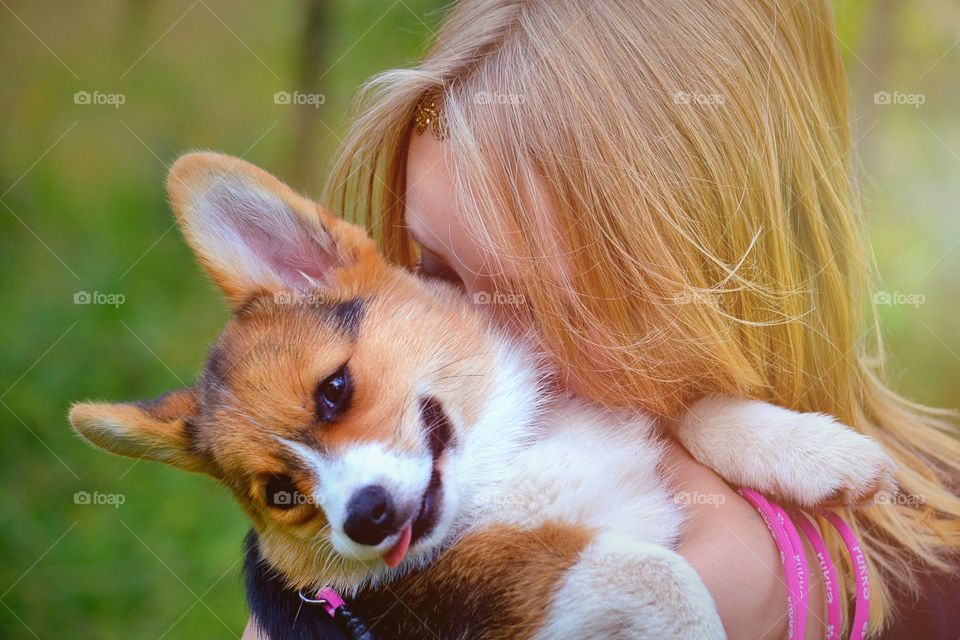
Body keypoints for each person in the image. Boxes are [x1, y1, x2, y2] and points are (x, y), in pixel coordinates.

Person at [245, 0, 959, 637]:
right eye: (437, 270)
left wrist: (797, 596)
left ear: (725, 281)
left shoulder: (939, 559)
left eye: (566, 303)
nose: (483, 336)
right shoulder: (384, 507)